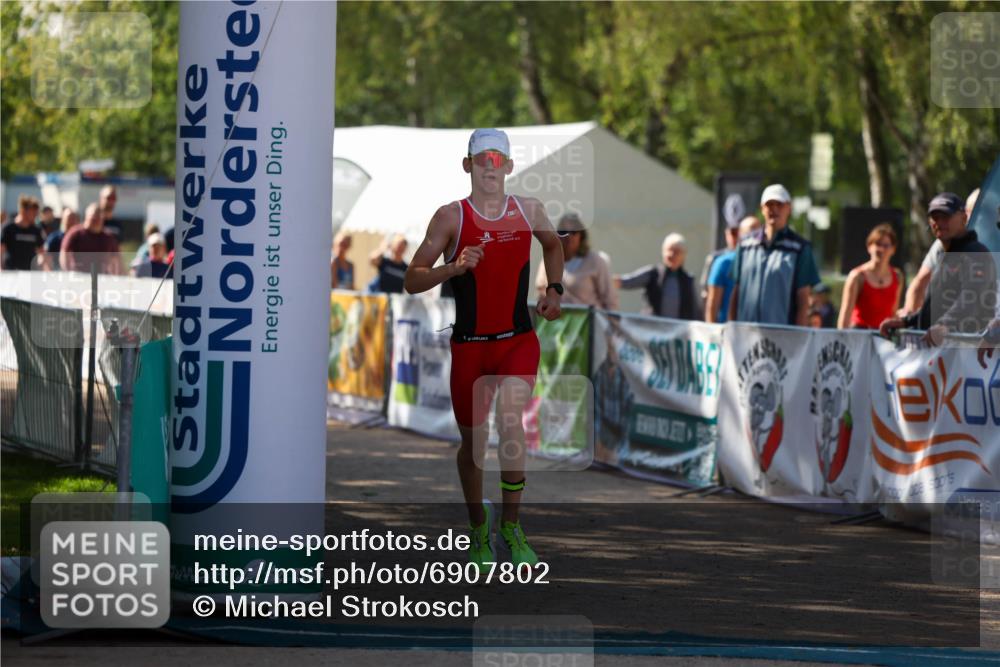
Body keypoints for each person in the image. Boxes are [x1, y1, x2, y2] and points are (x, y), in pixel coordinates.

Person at [403, 128, 564, 571]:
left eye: (498, 158)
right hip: (470, 349)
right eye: (482, 158)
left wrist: (555, 289)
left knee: (512, 425)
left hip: (516, 341)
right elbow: (412, 277)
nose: (491, 166)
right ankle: (478, 526)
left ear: (509, 166)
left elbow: (553, 244)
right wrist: (452, 268)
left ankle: (511, 526)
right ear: (467, 164)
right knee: (473, 446)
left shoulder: (528, 209)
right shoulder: (450, 217)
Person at [880, 192, 997, 345]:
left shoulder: (975, 252)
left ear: (964, 218)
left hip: (967, 355)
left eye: (946, 216)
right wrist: (907, 322)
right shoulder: (946, 254)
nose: (940, 222)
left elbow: (972, 298)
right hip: (942, 355)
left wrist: (945, 325)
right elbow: (936, 306)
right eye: (935, 217)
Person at [729, 184, 820, 326]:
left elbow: (803, 298)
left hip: (781, 336)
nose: (774, 209)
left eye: (779, 204)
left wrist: (799, 336)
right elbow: (736, 289)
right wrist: (732, 327)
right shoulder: (745, 245)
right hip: (746, 334)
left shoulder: (800, 248)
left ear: (789, 208)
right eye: (769, 204)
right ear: (762, 209)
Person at [900, 188, 979, 317]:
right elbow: (920, 282)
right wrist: (907, 316)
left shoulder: (979, 248)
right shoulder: (942, 245)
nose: (939, 223)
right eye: (935, 218)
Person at [534, 213, 617, 310]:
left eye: (573, 231)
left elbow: (610, 301)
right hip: (556, 323)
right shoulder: (547, 261)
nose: (568, 236)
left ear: (581, 235)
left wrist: (613, 324)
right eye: (563, 231)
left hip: (589, 324)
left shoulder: (597, 261)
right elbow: (540, 292)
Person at [615, 233, 702, 320]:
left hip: (678, 331)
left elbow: (695, 311)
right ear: (663, 252)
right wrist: (606, 280)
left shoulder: (688, 280)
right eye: (670, 250)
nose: (672, 255)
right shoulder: (653, 274)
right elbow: (627, 281)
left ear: (684, 255)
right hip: (652, 329)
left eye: (677, 252)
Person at [837, 224, 902, 329]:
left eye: (886, 245)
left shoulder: (898, 276)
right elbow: (845, 316)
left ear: (893, 249)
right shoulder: (857, 276)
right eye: (877, 244)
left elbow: (893, 313)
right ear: (869, 247)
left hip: (884, 336)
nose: (881, 249)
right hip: (859, 335)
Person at [705, 215, 759, 323]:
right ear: (741, 234)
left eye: (757, 232)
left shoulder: (763, 261)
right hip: (728, 330)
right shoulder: (723, 263)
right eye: (749, 232)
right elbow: (712, 303)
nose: (753, 236)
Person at [60, 203, 122, 275]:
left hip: (102, 278)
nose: (95, 220)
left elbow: (116, 260)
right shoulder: (75, 233)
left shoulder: (108, 237)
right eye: (92, 218)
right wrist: (69, 272)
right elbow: (64, 254)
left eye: (98, 218)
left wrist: (116, 277)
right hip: (79, 277)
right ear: (86, 217)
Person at [1, 195, 47, 271]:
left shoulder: (36, 230)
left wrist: (43, 264)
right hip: (10, 273)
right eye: (33, 213)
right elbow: (1, 250)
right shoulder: (8, 228)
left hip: (29, 273)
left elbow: (42, 252)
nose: (36, 216)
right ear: (23, 211)